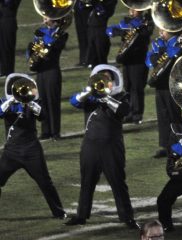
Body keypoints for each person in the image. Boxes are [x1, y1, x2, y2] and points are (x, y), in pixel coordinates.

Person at [65, 64, 139, 229]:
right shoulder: (89, 97)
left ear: (114, 82)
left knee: (118, 181)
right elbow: (73, 101)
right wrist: (90, 92)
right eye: (102, 80)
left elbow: (123, 111)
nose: (105, 83)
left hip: (112, 146)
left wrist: (106, 98)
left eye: (108, 80)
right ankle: (81, 215)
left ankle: (127, 217)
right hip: (90, 145)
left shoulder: (121, 96)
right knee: (87, 181)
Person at [0, 73, 67, 219]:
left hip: (31, 150)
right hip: (12, 151)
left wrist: (29, 101)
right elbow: (0, 112)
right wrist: (13, 99)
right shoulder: (6, 103)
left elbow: (43, 116)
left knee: (45, 183)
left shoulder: (34, 103)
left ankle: (59, 212)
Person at [145, 28, 182, 158]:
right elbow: (149, 60)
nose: (160, 33)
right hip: (160, 85)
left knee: (174, 117)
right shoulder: (160, 44)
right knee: (163, 117)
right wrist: (160, 52)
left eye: (163, 31)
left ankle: (180, 145)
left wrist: (172, 51)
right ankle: (166, 146)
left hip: (173, 86)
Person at [106, 8, 154, 124]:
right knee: (128, 86)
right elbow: (109, 30)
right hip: (127, 60)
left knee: (137, 87)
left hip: (139, 60)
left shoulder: (147, 22)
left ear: (141, 10)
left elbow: (145, 34)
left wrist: (137, 30)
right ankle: (129, 112)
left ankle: (137, 114)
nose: (131, 11)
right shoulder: (126, 22)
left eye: (135, 9)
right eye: (130, 8)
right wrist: (120, 32)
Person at [26, 16, 69, 140]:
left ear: (54, 19)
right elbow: (33, 48)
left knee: (53, 101)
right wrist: (30, 55)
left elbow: (54, 46)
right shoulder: (40, 32)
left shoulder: (62, 34)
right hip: (40, 71)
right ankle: (45, 131)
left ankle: (55, 132)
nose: (44, 20)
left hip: (52, 71)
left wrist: (45, 41)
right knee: (43, 101)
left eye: (46, 18)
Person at [86, 0, 117, 68]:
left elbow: (103, 12)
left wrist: (95, 2)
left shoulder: (110, 2)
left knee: (101, 57)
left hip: (100, 30)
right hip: (91, 28)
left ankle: (103, 75)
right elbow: (81, 7)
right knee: (92, 56)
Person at [0, 0, 21, 77]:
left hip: (8, 21)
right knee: (1, 48)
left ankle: (9, 72)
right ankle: (3, 70)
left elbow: (8, 3)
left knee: (8, 49)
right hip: (2, 20)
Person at [73, 0, 92, 66]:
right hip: (78, 7)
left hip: (87, 7)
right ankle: (83, 59)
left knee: (88, 34)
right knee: (81, 35)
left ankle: (90, 59)